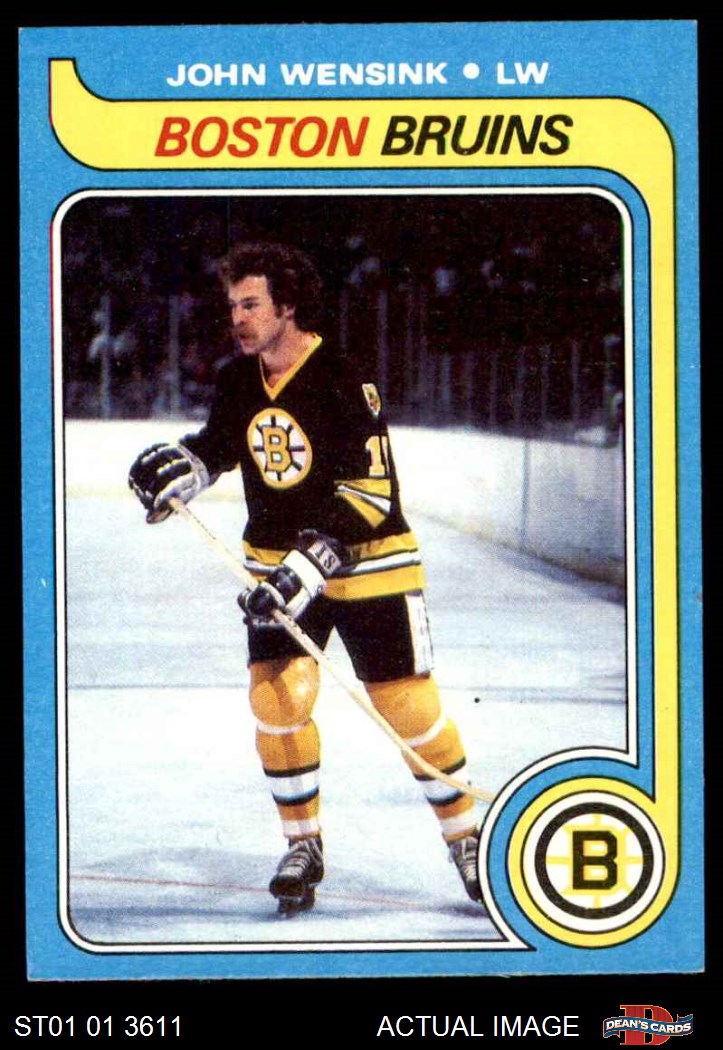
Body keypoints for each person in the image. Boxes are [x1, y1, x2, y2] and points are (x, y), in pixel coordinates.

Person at [128, 242, 484, 915]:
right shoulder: (238, 380)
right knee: (276, 702)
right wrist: (186, 468)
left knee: (405, 704)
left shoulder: (342, 376)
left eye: (250, 304)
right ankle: (302, 844)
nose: (236, 317)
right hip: (274, 564)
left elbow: (370, 493)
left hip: (370, 563)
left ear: (287, 306)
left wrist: (309, 564)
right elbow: (222, 445)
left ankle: (467, 838)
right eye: (232, 305)